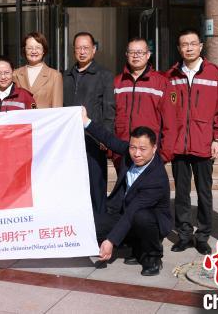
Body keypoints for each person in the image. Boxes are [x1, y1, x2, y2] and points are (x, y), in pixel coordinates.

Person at [81, 107, 172, 276]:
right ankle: (135, 246)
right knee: (93, 226)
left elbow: (133, 212)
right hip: (125, 211)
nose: (136, 154)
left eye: (143, 149)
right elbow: (109, 139)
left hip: (151, 220)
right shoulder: (130, 153)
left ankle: (153, 256)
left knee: (140, 217)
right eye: (133, 147)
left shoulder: (156, 178)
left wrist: (110, 241)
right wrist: (86, 121)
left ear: (154, 148)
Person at [165, 28, 218, 255]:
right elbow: (168, 110)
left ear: (201, 46)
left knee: (204, 192)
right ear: (179, 48)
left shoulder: (215, 73)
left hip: (203, 143)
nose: (188, 48)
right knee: (181, 193)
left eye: (193, 44)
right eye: (184, 44)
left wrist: (217, 138)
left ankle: (202, 236)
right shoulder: (171, 76)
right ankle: (184, 235)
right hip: (178, 145)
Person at [63, 32, 115, 227]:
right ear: (73, 51)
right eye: (78, 48)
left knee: (96, 186)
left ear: (94, 50)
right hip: (70, 142)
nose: (82, 52)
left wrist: (105, 137)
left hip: (94, 140)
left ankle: (99, 229)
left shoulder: (104, 75)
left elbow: (109, 109)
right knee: (74, 187)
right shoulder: (66, 76)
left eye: (86, 48)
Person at [113, 37, 175, 170]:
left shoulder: (161, 83)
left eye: (140, 52)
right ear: (126, 55)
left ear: (148, 55)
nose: (136, 55)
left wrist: (165, 154)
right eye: (132, 52)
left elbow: (170, 123)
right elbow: (110, 117)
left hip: (149, 153)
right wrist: (111, 150)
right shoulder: (117, 83)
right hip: (121, 152)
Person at [13, 32, 63, 108]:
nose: (34, 51)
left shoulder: (55, 76)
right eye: (30, 48)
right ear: (24, 50)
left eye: (38, 48)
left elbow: (57, 107)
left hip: (45, 116)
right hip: (22, 115)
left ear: (43, 50)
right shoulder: (15, 74)